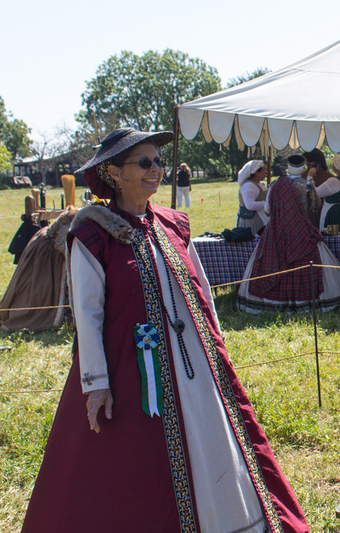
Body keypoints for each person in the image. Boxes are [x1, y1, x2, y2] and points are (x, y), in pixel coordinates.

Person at [22, 128, 309, 533]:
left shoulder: (174, 224)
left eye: (158, 161)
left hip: (197, 369)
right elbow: (87, 315)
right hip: (132, 373)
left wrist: (217, 350)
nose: (156, 169)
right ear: (114, 173)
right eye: (144, 162)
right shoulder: (92, 234)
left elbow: (202, 291)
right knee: (139, 469)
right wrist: (96, 383)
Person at [237, 157, 340, 313]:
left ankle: (273, 301)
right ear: (303, 168)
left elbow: (267, 209)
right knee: (308, 262)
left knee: (272, 261)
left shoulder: (275, 185)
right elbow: (315, 205)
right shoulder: (307, 185)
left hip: (276, 230)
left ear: (288, 167)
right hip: (301, 230)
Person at [0, 208, 76, 332]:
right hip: (46, 251)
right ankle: (26, 316)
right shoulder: (71, 218)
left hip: (45, 245)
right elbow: (60, 245)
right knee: (40, 288)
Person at [317, 153, 340, 231]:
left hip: (334, 214)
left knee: (332, 236)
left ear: (336, 167)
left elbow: (316, 193)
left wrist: (310, 178)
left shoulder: (334, 181)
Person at [236, 159, 270, 236]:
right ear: (256, 173)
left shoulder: (258, 184)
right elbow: (250, 205)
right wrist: (268, 204)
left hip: (261, 218)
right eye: (263, 170)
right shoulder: (249, 186)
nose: (265, 171)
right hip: (252, 221)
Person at [301, 148, 334, 228]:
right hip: (307, 215)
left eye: (310, 161)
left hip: (323, 213)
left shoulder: (329, 177)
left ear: (318, 162)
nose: (308, 164)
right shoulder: (302, 176)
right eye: (306, 161)